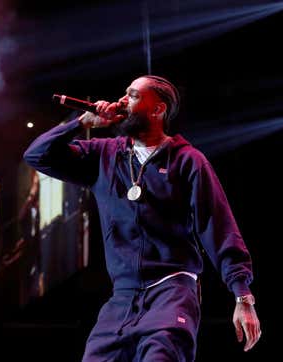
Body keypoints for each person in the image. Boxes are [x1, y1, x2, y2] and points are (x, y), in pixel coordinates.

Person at [23, 75, 261, 361]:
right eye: (124, 94)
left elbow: (219, 228)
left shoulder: (188, 161)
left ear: (157, 109)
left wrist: (242, 295)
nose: (122, 101)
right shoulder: (104, 155)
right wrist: (81, 124)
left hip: (171, 292)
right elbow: (37, 155)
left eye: (133, 95)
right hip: (121, 298)